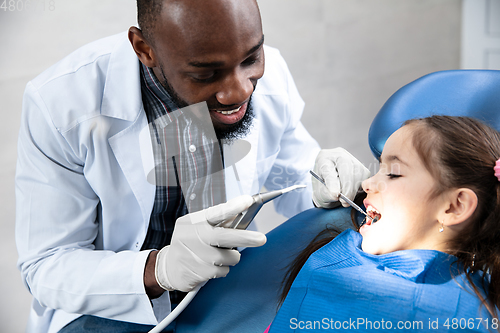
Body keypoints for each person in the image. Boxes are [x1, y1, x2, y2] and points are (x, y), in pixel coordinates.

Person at [15, 0, 369, 332]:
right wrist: (162, 269)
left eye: (251, 58)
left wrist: (322, 178)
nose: (238, 91)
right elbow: (46, 264)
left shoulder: (268, 73)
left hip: (228, 290)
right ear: (144, 49)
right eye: (206, 74)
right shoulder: (62, 104)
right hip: (112, 306)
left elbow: (292, 172)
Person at [267, 116, 500, 332]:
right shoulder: (337, 256)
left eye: (394, 173)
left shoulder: (464, 317)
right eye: (379, 168)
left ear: (454, 207)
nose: (367, 183)